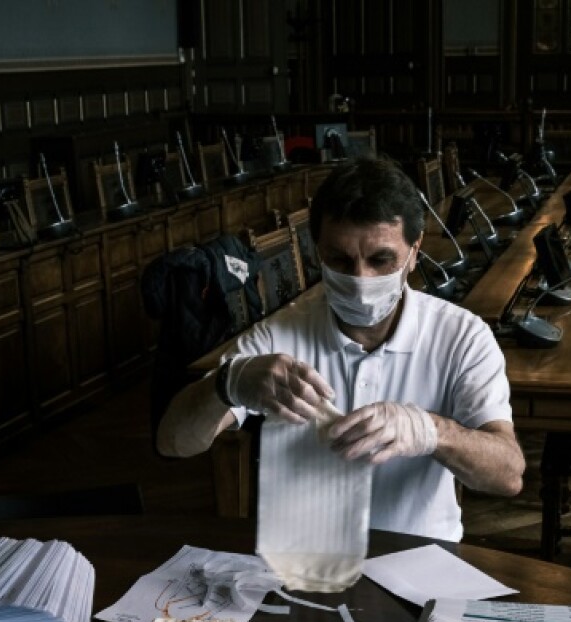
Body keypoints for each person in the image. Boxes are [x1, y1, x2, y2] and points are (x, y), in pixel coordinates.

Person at [156, 156, 525, 542]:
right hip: (303, 562)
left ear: (415, 252)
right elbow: (173, 443)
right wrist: (225, 385)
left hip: (420, 558)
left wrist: (432, 431)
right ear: (318, 253)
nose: (360, 279)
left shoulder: (462, 336)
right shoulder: (277, 337)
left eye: (382, 260)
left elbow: (508, 475)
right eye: (340, 260)